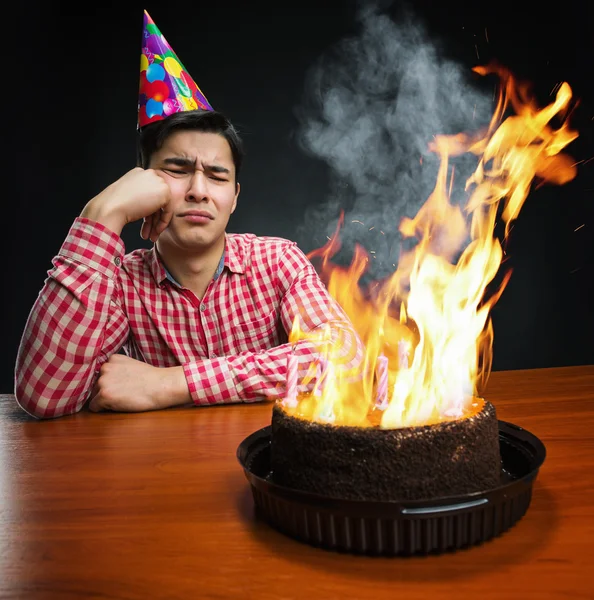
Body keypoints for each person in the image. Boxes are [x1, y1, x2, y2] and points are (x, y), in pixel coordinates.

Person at [14, 11, 364, 419]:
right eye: (178, 170)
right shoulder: (120, 285)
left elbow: (343, 357)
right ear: (143, 183)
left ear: (234, 197)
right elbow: (45, 395)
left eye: (216, 176)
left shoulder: (277, 262)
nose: (198, 190)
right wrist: (103, 213)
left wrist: (170, 383)